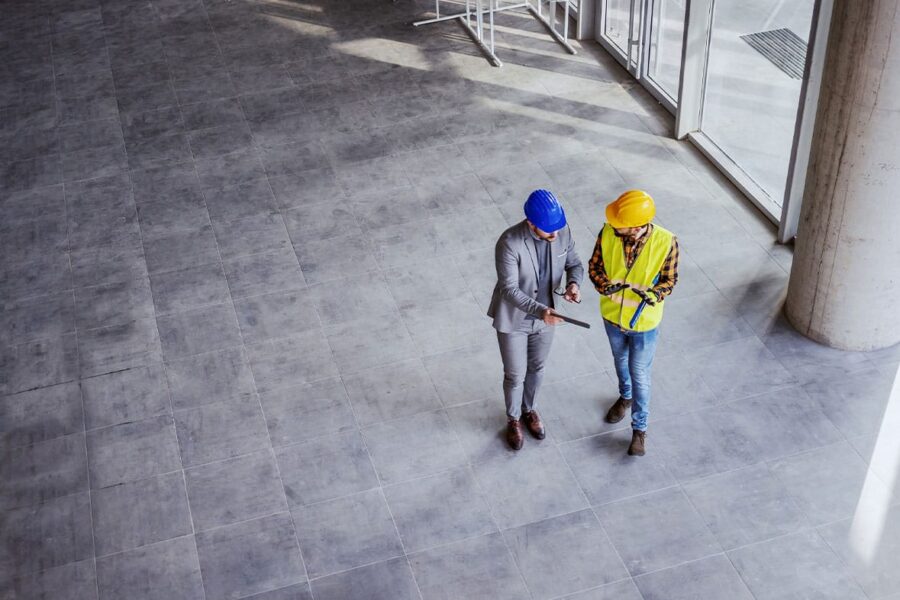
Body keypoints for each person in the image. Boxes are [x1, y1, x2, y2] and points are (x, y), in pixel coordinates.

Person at [487, 189, 584, 451]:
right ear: (531, 224)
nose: (554, 236)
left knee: (537, 367)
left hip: (546, 319)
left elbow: (574, 263)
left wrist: (574, 283)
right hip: (515, 320)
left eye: (557, 230)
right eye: (547, 231)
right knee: (515, 374)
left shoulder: (560, 231)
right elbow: (509, 289)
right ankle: (514, 419)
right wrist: (541, 311)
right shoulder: (509, 242)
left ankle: (530, 409)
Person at [588, 190, 679, 456]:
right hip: (612, 316)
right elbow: (595, 267)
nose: (614, 226)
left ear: (637, 227)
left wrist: (654, 294)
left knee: (639, 373)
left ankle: (640, 429)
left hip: (644, 324)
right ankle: (624, 396)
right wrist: (604, 286)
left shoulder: (666, 242)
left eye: (620, 224)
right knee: (620, 362)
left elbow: (669, 280)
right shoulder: (607, 232)